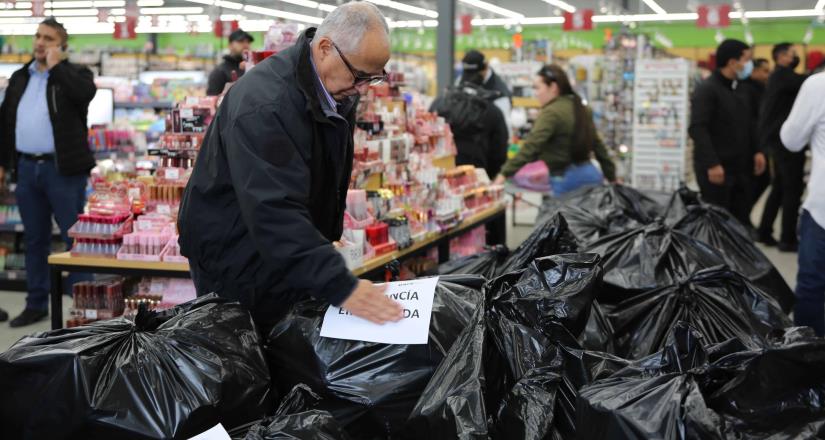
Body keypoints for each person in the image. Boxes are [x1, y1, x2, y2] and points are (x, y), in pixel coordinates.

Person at [179, 2, 402, 328]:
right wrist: (340, 285)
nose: (364, 88)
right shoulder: (265, 105)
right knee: (249, 362)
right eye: (360, 75)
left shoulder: (337, 89)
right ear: (325, 48)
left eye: (375, 78)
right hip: (237, 258)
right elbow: (274, 208)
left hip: (282, 254)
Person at [0, 18, 96, 328]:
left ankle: (85, 308)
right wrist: (3, 164)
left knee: (76, 240)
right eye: (38, 36)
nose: (40, 42)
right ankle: (36, 302)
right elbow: (6, 125)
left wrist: (57, 67)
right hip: (27, 168)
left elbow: (84, 95)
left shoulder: (75, 75)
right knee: (35, 239)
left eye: (49, 38)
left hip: (63, 170)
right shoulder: (19, 78)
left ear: (61, 46)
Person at [492, 64, 616, 196]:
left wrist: (503, 174)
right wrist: (612, 176)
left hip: (566, 181)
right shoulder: (581, 107)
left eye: (538, 88)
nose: (536, 93)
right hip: (590, 175)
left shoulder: (551, 112)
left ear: (553, 88)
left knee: (558, 216)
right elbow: (598, 145)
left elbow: (531, 146)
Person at [688, 39, 766, 229]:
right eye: (746, 59)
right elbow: (698, 128)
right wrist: (712, 164)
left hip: (740, 168)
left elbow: (749, 124)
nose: (749, 64)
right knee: (717, 225)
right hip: (717, 171)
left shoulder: (740, 89)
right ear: (732, 62)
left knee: (738, 222)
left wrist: (757, 151)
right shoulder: (707, 90)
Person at [779, 71, 825, 335]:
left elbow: (791, 140)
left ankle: (810, 364)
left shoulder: (818, 85)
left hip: (822, 209)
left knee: (812, 287)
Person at [756, 43, 808, 251]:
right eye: (792, 54)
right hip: (786, 142)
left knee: (780, 186)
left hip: (778, 140)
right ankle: (788, 239)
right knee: (792, 188)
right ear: (781, 56)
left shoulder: (780, 77)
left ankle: (764, 231)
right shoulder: (783, 76)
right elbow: (808, 81)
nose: (795, 57)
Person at [430, 78, 509, 179]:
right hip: (476, 177)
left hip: (440, 175)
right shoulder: (493, 111)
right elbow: (499, 155)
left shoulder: (439, 103)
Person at [460, 50, 513, 137]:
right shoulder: (462, 81)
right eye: (467, 74)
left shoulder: (500, 95)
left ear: (486, 67)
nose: (470, 79)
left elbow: (504, 132)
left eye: (475, 75)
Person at [745, 57, 771, 212]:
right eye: (765, 71)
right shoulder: (748, 90)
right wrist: (758, 149)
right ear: (754, 71)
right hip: (753, 146)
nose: (767, 74)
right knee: (757, 180)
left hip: (759, 144)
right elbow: (752, 121)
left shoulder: (761, 89)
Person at [206, 29, 254, 96]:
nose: (245, 45)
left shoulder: (254, 68)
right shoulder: (220, 72)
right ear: (230, 45)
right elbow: (212, 99)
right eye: (241, 41)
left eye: (248, 42)